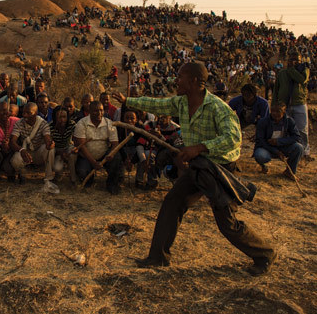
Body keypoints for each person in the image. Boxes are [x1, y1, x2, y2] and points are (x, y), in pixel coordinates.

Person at [115, 62, 275, 276]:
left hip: (220, 169)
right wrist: (128, 101)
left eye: (180, 77)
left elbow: (233, 139)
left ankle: (265, 254)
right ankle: (158, 258)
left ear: (195, 82)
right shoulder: (182, 102)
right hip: (198, 166)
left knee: (227, 223)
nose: (175, 80)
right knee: (172, 203)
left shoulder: (218, 108)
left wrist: (199, 148)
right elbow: (157, 105)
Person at [73, 101, 123, 194]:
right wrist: (93, 162)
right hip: (87, 156)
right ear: (90, 111)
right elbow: (82, 146)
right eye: (96, 111)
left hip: (104, 155)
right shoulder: (82, 123)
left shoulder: (109, 123)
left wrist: (111, 154)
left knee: (116, 158)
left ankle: (112, 184)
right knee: (83, 172)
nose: (99, 113)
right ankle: (89, 180)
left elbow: (115, 143)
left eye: (101, 110)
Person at [9, 103, 57, 194]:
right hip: (26, 152)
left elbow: (47, 137)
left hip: (38, 152)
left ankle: (48, 178)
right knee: (15, 160)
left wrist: (49, 143)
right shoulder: (19, 123)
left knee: (50, 150)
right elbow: (13, 141)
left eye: (28, 113)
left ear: (36, 113)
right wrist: (21, 150)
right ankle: (22, 174)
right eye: (23, 112)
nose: (25, 115)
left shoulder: (43, 123)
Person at [272, 52, 310, 159]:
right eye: (291, 59)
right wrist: (274, 104)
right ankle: (287, 150)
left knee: (302, 129)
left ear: (300, 61)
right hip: (284, 105)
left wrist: (292, 69)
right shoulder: (282, 73)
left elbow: (301, 80)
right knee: (285, 128)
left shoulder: (304, 70)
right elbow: (276, 90)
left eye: (296, 60)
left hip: (299, 103)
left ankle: (305, 152)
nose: (294, 61)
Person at [253, 102, 303, 180]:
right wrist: (276, 151)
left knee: (299, 147)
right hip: (267, 147)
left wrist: (279, 141)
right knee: (260, 155)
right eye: (273, 111)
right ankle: (263, 166)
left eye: (278, 111)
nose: (275, 114)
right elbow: (260, 140)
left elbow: (296, 137)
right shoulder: (263, 122)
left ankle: (290, 171)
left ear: (283, 112)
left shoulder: (289, 121)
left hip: (283, 146)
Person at [50, 107, 78, 184]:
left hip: (68, 147)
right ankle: (58, 175)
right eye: (59, 117)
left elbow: (76, 139)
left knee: (72, 155)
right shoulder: (50, 127)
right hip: (57, 151)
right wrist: (61, 153)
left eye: (64, 117)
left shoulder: (71, 124)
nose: (62, 120)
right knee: (57, 168)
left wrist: (75, 148)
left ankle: (73, 179)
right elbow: (50, 146)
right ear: (54, 118)